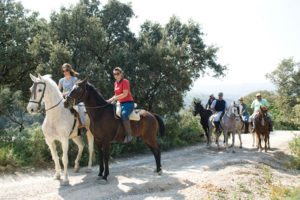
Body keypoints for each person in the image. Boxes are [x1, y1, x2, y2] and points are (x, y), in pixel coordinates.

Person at [107, 67, 134, 143]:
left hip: (128, 103)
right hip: (119, 103)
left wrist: (114, 98)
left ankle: (129, 135)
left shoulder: (125, 81)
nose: (116, 75)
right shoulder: (115, 83)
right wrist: (109, 100)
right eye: (114, 74)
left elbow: (125, 94)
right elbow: (116, 95)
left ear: (121, 74)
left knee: (124, 114)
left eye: (117, 74)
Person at [58, 63, 86, 135]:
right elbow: (58, 90)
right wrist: (60, 94)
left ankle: (82, 125)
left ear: (69, 70)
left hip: (72, 98)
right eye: (63, 71)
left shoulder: (74, 79)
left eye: (66, 70)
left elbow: (74, 90)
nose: (64, 72)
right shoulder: (61, 80)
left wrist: (64, 93)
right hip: (63, 99)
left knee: (80, 106)